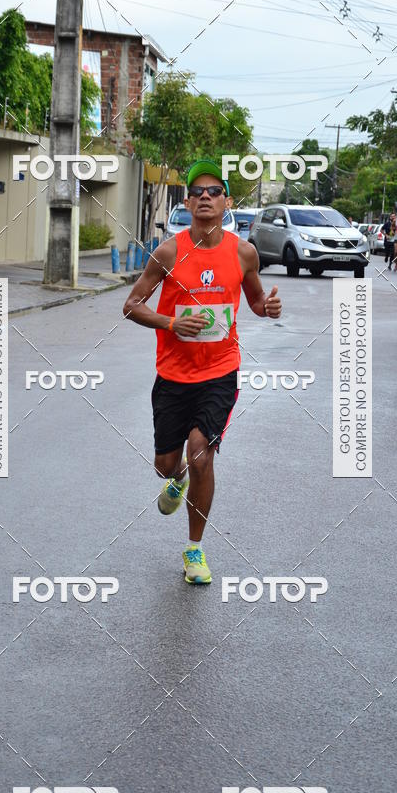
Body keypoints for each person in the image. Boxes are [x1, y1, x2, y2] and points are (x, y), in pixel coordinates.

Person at [123, 159, 282, 585]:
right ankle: (173, 482)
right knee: (166, 463)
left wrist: (266, 308)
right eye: (198, 191)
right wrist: (171, 323)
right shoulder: (169, 252)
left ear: (227, 201)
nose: (206, 197)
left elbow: (254, 302)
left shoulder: (243, 253)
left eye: (215, 191)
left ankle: (194, 549)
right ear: (188, 202)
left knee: (201, 453)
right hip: (174, 375)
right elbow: (132, 306)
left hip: (219, 371)